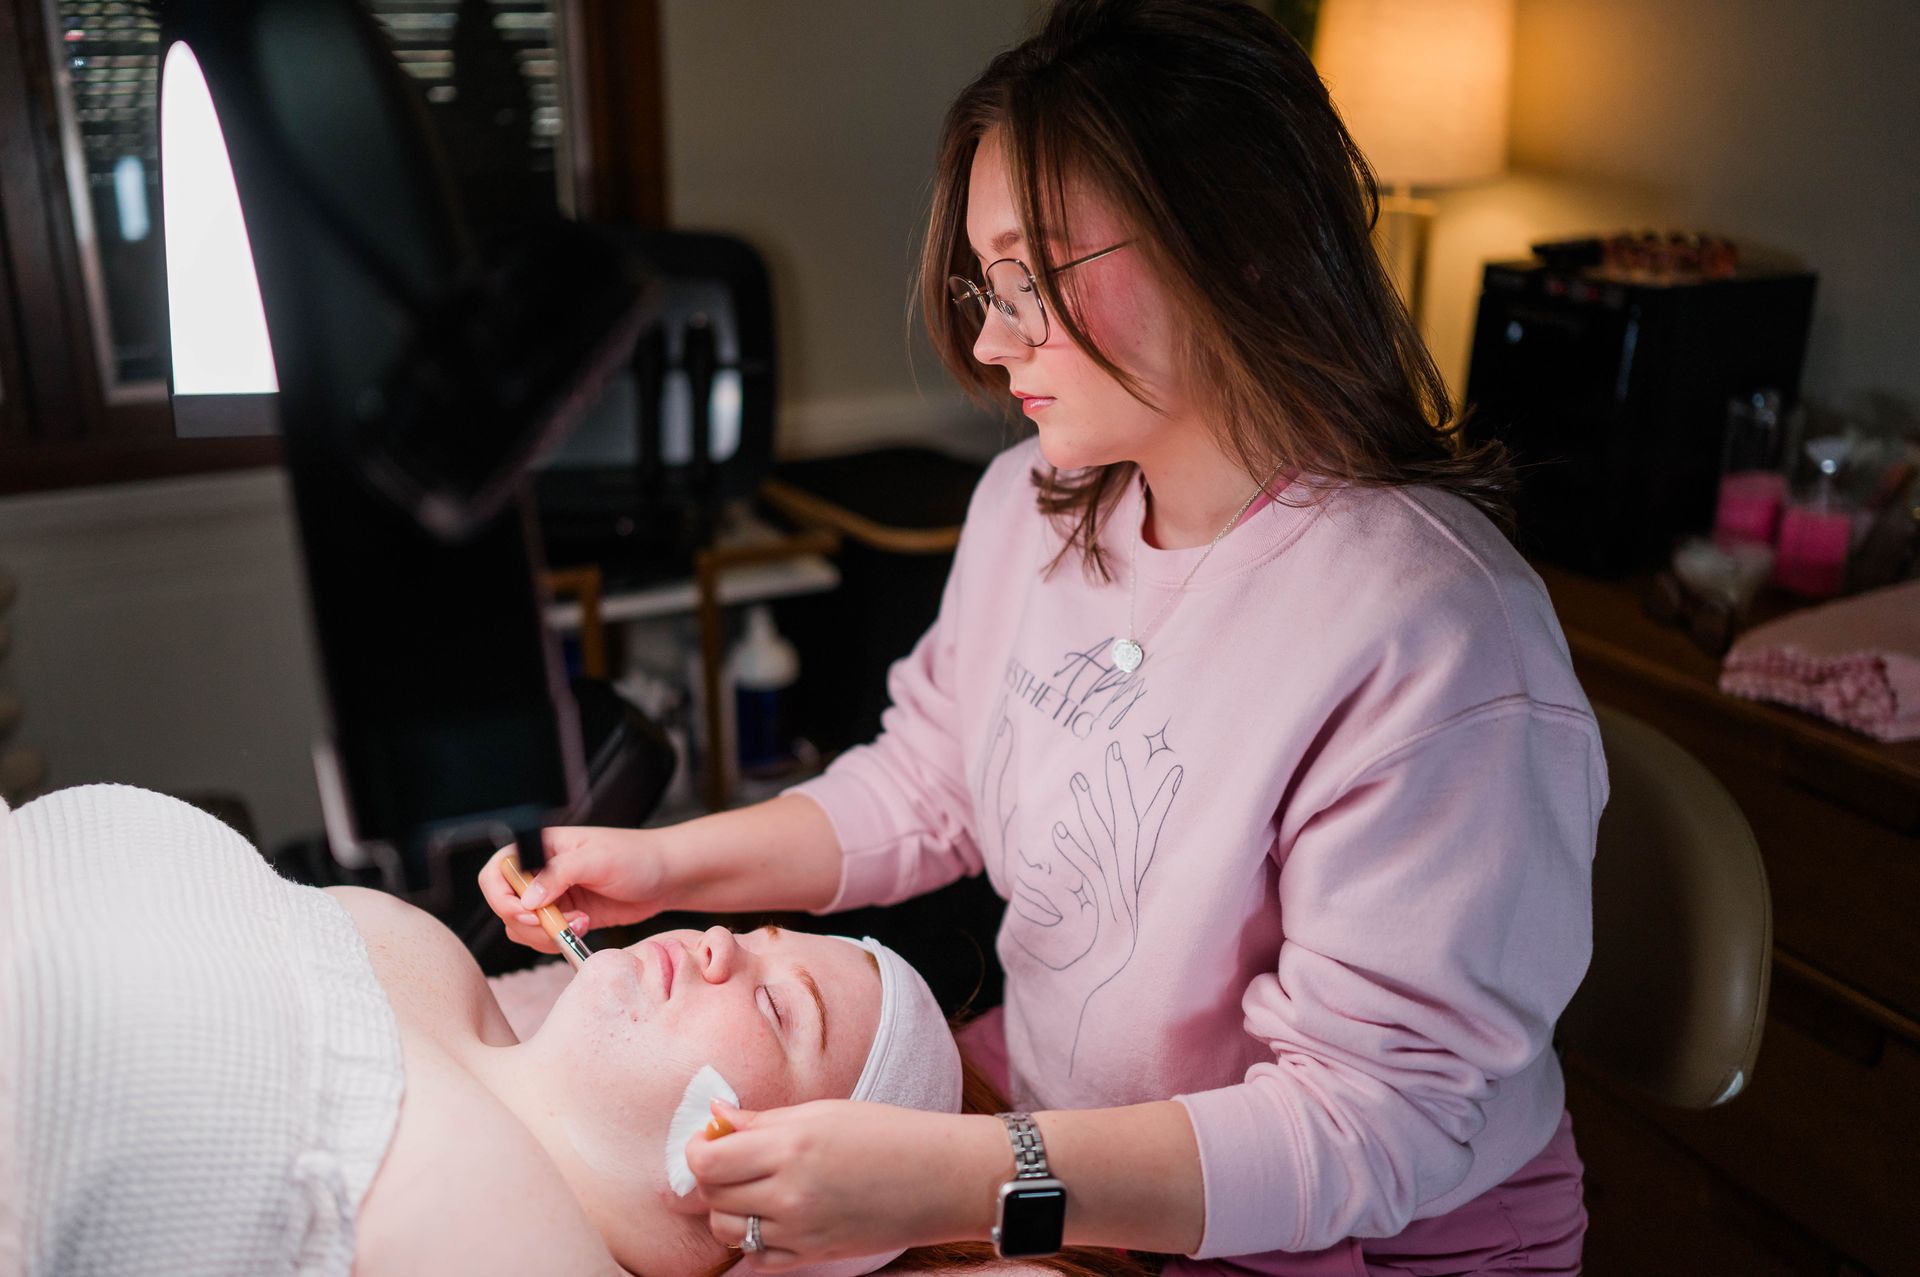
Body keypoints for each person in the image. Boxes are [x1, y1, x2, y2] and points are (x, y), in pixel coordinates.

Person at [479, 1, 1605, 1274]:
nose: (986, 339)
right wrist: (663, 866)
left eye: (1034, 281)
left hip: (1358, 1228)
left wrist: (961, 1175)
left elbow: (1368, 1126)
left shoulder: (1436, 640)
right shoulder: (1035, 502)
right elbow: (933, 776)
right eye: (982, 283)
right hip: (1064, 1132)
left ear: (1234, 248)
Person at [0, 783, 963, 1277]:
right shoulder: (434, 959)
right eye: (754, 934)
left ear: (781, 1194)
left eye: (778, 1006)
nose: (717, 941)